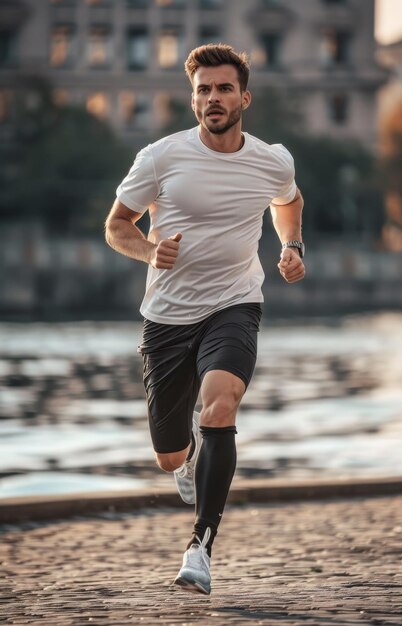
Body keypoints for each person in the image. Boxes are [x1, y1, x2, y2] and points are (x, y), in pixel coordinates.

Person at [105, 43, 305, 595]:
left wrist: (291, 245)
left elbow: (288, 201)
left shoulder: (272, 159)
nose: (212, 98)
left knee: (221, 405)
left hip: (235, 303)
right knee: (170, 451)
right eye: (202, 90)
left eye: (222, 88)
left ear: (244, 96)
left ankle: (201, 547)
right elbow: (116, 224)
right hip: (167, 317)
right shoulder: (160, 157)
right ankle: (187, 458)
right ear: (193, 99)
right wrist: (149, 251)